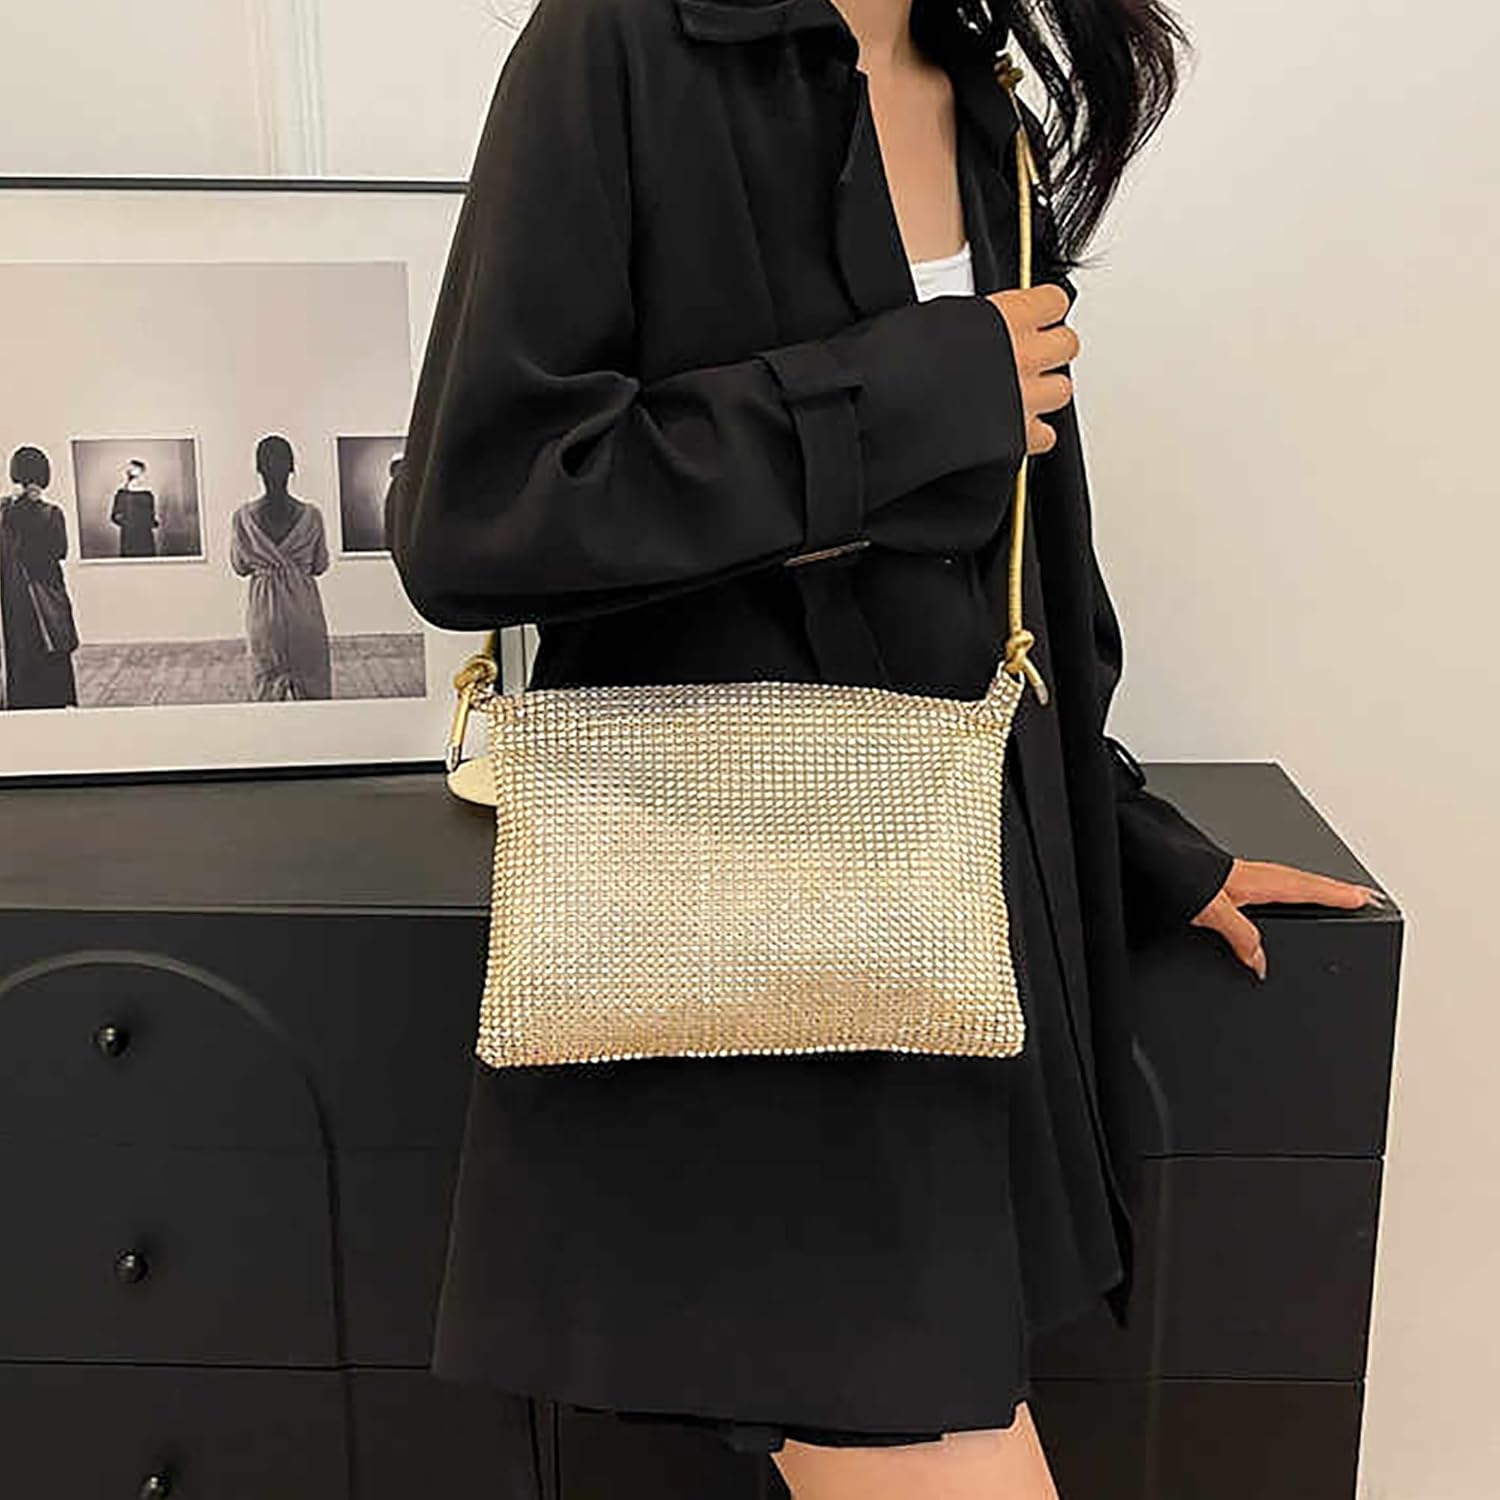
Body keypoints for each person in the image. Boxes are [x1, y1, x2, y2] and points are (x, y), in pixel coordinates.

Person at [387, 0, 1384, 1495]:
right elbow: (478, 509)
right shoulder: (621, 43)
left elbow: (1019, 568)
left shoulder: (979, 97)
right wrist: (899, 395)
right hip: (759, 928)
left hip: (955, 925)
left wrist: (1130, 841)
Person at [229, 435, 332, 701]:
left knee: (265, 692)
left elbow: (240, 567)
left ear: (258, 469)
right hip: (304, 612)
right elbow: (320, 565)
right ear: (292, 468)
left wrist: (266, 564)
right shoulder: (312, 515)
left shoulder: (242, 518)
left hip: (264, 615)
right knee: (314, 693)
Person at [0, 446, 79, 711]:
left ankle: (22, 706)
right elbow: (60, 551)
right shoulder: (51, 513)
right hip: (46, 591)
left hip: (15, 596)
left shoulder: (4, 512)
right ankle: (56, 704)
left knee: (20, 652)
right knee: (53, 649)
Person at [109, 458, 159, 558]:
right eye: (140, 474)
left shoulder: (148, 495)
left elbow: (152, 519)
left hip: (144, 536)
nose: (142, 477)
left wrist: (151, 523)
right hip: (130, 536)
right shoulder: (122, 494)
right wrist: (129, 522)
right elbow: (114, 517)